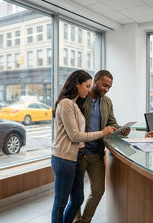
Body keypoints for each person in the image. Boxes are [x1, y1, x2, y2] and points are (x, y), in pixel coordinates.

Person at [51, 70, 116, 223]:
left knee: (77, 198)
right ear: (77, 84)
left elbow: (80, 131)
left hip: (76, 156)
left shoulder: (75, 103)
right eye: (86, 86)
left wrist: (115, 129)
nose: (87, 89)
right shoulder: (67, 103)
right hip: (65, 157)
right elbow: (75, 135)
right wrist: (102, 132)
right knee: (61, 202)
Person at [74, 70, 130, 223]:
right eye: (104, 85)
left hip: (96, 153)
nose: (106, 89)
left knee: (98, 190)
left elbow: (111, 122)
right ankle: (76, 220)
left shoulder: (107, 102)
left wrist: (120, 129)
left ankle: (85, 220)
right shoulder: (81, 98)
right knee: (76, 193)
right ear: (96, 80)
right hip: (78, 152)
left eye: (109, 87)